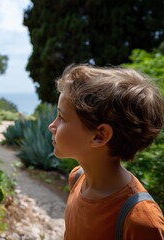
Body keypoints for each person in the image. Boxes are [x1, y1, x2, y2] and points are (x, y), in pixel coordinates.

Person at [48, 64, 164, 240]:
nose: (52, 126)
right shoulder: (77, 178)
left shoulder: (141, 219)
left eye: (62, 117)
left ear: (99, 136)